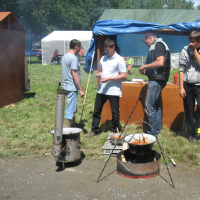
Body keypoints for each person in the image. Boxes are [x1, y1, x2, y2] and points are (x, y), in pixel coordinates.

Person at [87, 38, 127, 137]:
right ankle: (94, 130)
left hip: (114, 90)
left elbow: (123, 76)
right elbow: (103, 71)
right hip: (102, 89)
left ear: (113, 48)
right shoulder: (103, 58)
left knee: (115, 112)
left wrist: (109, 78)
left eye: (107, 49)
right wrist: (99, 74)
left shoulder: (119, 60)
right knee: (97, 110)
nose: (106, 51)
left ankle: (114, 131)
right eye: (105, 49)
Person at [138, 32, 170, 137]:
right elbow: (158, 66)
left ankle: (153, 133)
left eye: (147, 43)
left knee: (149, 106)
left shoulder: (158, 44)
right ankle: (157, 131)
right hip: (158, 78)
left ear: (150, 38)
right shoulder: (158, 45)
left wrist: (144, 66)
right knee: (156, 106)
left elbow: (160, 62)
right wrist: (147, 71)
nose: (147, 45)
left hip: (157, 80)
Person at [179, 31, 200, 143]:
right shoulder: (184, 50)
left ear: (199, 41)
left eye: (194, 41)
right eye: (190, 40)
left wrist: (194, 51)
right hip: (188, 84)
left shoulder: (194, 50)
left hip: (199, 84)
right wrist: (181, 87)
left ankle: (197, 124)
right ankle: (191, 134)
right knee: (189, 110)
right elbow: (181, 69)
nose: (191, 43)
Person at [62, 39, 85, 127]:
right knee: (70, 108)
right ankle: (68, 130)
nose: (80, 50)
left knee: (73, 106)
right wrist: (81, 90)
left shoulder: (65, 56)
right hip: (72, 86)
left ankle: (74, 125)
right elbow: (75, 74)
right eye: (80, 47)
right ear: (76, 47)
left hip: (65, 85)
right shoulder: (73, 58)